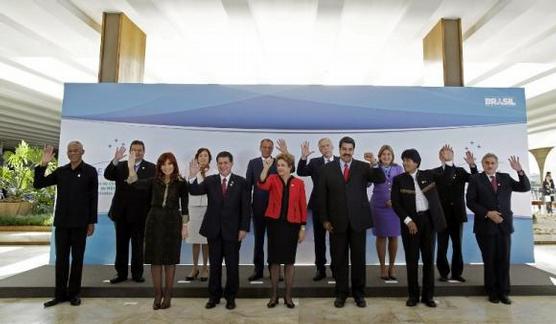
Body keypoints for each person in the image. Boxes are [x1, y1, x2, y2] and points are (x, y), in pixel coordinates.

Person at [318, 136, 385, 308]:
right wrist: (325, 219)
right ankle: (340, 294)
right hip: (336, 223)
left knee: (358, 259)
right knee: (339, 260)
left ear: (353, 150)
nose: (347, 152)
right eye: (344, 149)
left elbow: (380, 179)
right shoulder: (327, 169)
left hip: (358, 222)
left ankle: (359, 294)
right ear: (339, 150)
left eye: (350, 149)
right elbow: (322, 196)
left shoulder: (363, 167)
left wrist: (375, 164)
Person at [34, 141, 98, 308]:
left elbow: (93, 198)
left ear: (82, 152)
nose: (72, 153)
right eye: (70, 151)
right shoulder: (61, 171)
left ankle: (74, 294)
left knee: (77, 260)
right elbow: (38, 184)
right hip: (62, 223)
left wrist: (91, 222)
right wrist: (43, 164)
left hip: (80, 224)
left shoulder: (90, 172)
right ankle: (59, 295)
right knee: (61, 260)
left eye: (76, 150)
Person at [189, 151, 250, 310]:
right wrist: (192, 176)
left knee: (232, 266)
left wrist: (244, 228)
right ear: (217, 165)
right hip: (213, 231)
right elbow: (195, 191)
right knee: (214, 266)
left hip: (233, 231)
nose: (223, 166)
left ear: (231, 164)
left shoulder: (241, 182)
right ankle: (213, 297)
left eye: (226, 163)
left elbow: (246, 208)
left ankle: (230, 297)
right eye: (220, 163)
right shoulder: (210, 180)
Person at [126, 151, 188, 310]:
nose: (167, 167)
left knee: (170, 260)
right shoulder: (153, 181)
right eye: (164, 164)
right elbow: (134, 183)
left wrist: (184, 226)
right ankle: (157, 295)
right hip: (154, 220)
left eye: (170, 164)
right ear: (160, 166)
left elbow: (185, 207)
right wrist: (131, 167)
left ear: (174, 165)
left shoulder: (181, 182)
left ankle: (168, 295)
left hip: (173, 221)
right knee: (155, 260)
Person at [466, 154, 530, 305]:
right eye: (487, 163)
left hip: (504, 226)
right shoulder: (475, 179)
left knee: (503, 260)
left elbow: (525, 187)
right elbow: (470, 202)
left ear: (497, 164)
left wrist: (520, 171)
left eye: (492, 163)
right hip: (485, 227)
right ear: (482, 164)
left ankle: (504, 292)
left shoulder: (506, 177)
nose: (489, 165)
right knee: (490, 261)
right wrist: (488, 214)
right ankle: (492, 292)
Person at [391, 149, 446, 308]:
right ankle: (413, 296)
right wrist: (408, 221)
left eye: (408, 160)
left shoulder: (429, 175)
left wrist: (446, 162)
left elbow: (446, 176)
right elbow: (396, 203)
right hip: (410, 224)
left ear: (416, 162)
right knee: (412, 260)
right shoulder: (398, 180)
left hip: (428, 221)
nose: (405, 163)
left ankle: (428, 296)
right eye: (404, 160)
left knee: (429, 260)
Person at [258, 153, 307, 309]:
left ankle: (288, 296)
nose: (279, 167)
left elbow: (302, 206)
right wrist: (265, 168)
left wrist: (302, 228)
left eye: (282, 165)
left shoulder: (299, 183)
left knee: (289, 261)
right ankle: (274, 296)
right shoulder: (272, 179)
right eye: (278, 165)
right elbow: (261, 184)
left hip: (292, 226)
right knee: (274, 261)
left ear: (290, 167)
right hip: (274, 225)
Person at [104, 140, 156, 284]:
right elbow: (107, 175)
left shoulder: (152, 168)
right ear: (130, 151)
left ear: (144, 152)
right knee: (121, 245)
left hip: (141, 214)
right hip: (121, 213)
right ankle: (120, 274)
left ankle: (137, 274)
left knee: (138, 245)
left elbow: (151, 189)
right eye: (134, 150)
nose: (137, 153)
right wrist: (115, 159)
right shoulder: (120, 165)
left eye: (140, 150)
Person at [433, 145, 478, 282]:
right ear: (440, 156)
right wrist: (446, 163)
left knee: (457, 245)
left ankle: (457, 273)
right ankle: (443, 273)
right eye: (443, 152)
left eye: (449, 152)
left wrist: (472, 165)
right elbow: (445, 177)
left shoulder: (460, 171)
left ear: (453, 154)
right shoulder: (435, 172)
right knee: (442, 245)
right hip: (441, 215)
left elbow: (475, 180)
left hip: (457, 214)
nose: (446, 154)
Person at [245, 139, 288, 281]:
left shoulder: (279, 162)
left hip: (275, 208)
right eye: (264, 147)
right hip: (258, 208)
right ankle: (258, 270)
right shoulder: (253, 163)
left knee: (275, 240)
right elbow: (248, 186)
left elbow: (290, 171)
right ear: (260, 147)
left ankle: (274, 270)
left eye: (270, 147)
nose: (267, 149)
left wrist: (285, 153)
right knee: (258, 240)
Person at [296, 138, 338, 281]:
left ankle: (336, 268)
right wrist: (303, 157)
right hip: (318, 205)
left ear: (332, 147)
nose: (325, 148)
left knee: (336, 239)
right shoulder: (314, 163)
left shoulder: (340, 162)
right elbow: (300, 172)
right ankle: (320, 269)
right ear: (320, 149)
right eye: (322, 147)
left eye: (327, 145)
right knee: (319, 240)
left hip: (336, 206)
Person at [368, 145, 403, 281]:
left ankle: (392, 266)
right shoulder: (374, 167)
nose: (386, 156)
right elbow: (367, 184)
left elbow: (401, 187)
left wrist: (395, 201)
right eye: (383, 154)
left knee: (394, 236)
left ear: (392, 156)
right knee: (381, 236)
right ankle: (382, 267)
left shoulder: (398, 168)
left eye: (389, 154)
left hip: (395, 207)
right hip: (378, 206)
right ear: (380, 156)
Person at [184, 148, 215, 281]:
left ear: (209, 158)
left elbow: (208, 189)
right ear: (197, 158)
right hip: (193, 208)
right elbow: (188, 189)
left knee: (206, 241)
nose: (203, 158)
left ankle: (205, 268)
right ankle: (194, 267)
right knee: (194, 240)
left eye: (205, 156)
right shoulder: (190, 170)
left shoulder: (214, 172)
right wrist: (192, 175)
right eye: (200, 155)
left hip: (208, 208)